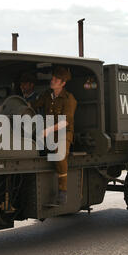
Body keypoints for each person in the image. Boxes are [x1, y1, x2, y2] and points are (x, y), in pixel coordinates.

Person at [30, 66, 77, 206]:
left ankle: (63, 191)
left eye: (56, 79)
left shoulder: (69, 99)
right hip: (48, 132)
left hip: (64, 133)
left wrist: (47, 131)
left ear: (63, 83)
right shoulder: (47, 95)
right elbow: (33, 105)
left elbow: (65, 122)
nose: (52, 81)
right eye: (53, 78)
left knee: (60, 155)